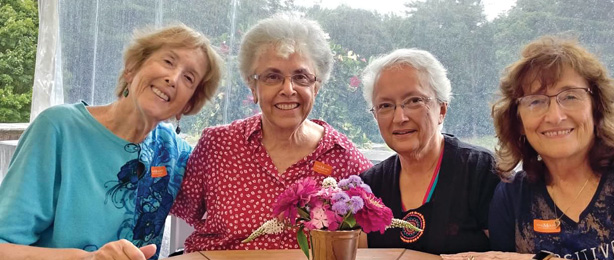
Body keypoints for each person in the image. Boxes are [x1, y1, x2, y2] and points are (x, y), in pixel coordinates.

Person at [0, 24, 224, 260]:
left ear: (187, 106)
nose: (173, 78)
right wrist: (88, 258)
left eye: (189, 78)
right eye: (168, 61)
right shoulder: (59, 129)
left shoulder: (174, 153)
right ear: (132, 68)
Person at [170, 14, 373, 252]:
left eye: (301, 77)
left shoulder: (342, 155)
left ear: (316, 87)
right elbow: (173, 206)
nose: (288, 89)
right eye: (272, 77)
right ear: (252, 87)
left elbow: (372, 227)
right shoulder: (218, 144)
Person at [489, 36, 614, 259]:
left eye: (570, 96)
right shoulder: (511, 197)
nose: (555, 116)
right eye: (536, 101)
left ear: (596, 108)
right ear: (518, 122)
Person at [359, 48, 500, 254]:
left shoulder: (480, 171)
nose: (400, 118)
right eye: (385, 105)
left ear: (442, 109)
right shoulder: (370, 185)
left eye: (414, 101)